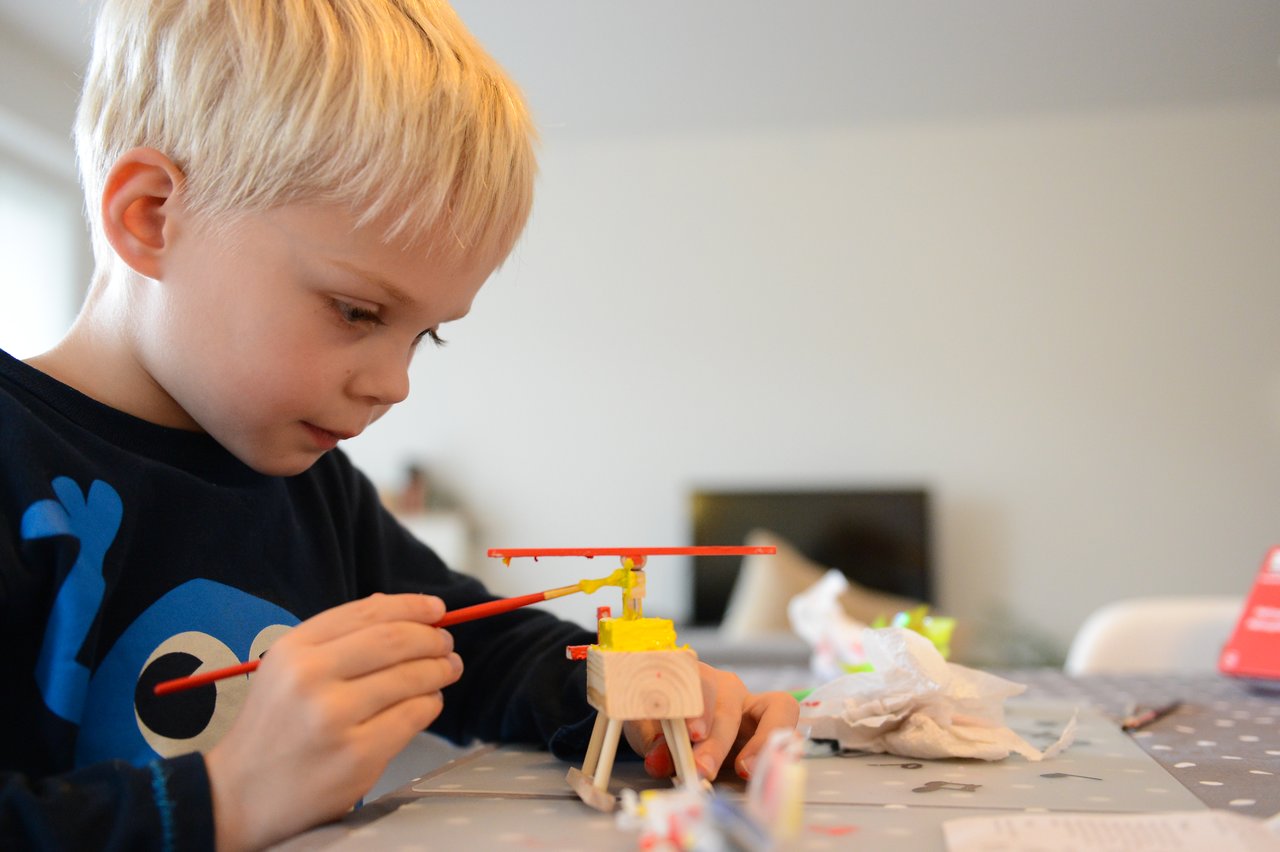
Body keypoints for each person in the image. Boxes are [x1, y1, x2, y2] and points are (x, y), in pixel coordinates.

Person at [0, 1, 799, 850]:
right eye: (356, 311)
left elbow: (476, 645)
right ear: (152, 216)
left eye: (424, 333)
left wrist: (639, 697)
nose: (395, 384)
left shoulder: (314, 490)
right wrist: (225, 798)